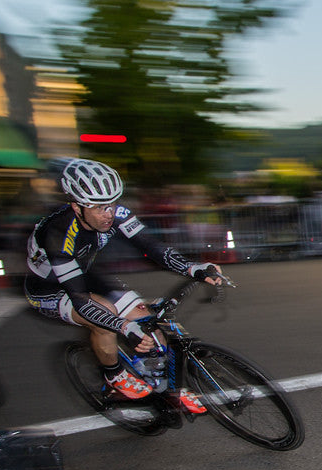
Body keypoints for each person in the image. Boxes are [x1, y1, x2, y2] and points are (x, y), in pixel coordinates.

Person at [25, 158, 223, 413]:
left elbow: (150, 246)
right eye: (98, 207)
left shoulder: (115, 212)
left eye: (112, 203)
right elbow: (80, 299)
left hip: (83, 272)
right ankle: (114, 376)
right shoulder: (58, 233)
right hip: (48, 288)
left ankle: (161, 388)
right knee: (103, 316)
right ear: (77, 206)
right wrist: (124, 327)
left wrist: (192, 267)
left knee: (147, 320)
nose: (108, 213)